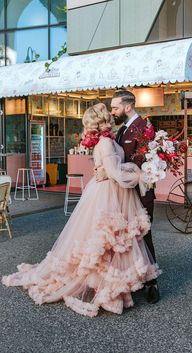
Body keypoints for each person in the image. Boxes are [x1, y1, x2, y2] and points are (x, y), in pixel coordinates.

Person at [2, 103, 161, 317]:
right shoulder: (105, 143)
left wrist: (124, 169)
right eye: (110, 112)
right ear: (104, 119)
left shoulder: (108, 140)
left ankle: (115, 281)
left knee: (114, 240)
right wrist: (138, 174)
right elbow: (115, 173)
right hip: (109, 192)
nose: (113, 114)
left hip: (114, 191)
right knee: (106, 239)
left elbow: (111, 169)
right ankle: (103, 283)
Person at [110, 90, 160, 303]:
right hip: (124, 192)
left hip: (141, 193)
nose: (112, 111)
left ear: (127, 107)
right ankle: (132, 278)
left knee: (143, 233)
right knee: (125, 235)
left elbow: (148, 164)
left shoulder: (144, 127)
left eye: (115, 107)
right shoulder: (122, 129)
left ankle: (152, 284)